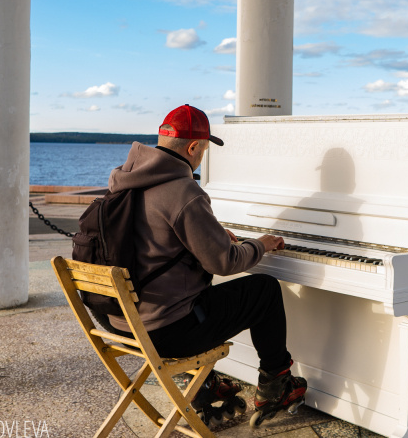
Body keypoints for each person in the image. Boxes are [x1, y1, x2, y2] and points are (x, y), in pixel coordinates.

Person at [104, 104, 306, 425]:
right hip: (168, 334)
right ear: (194, 147)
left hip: (122, 325)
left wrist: (209, 234)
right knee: (264, 290)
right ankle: (276, 385)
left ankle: (201, 384)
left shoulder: (124, 183)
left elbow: (155, 242)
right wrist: (261, 244)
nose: (202, 158)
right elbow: (225, 262)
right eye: (204, 150)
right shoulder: (184, 190)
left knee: (199, 294)